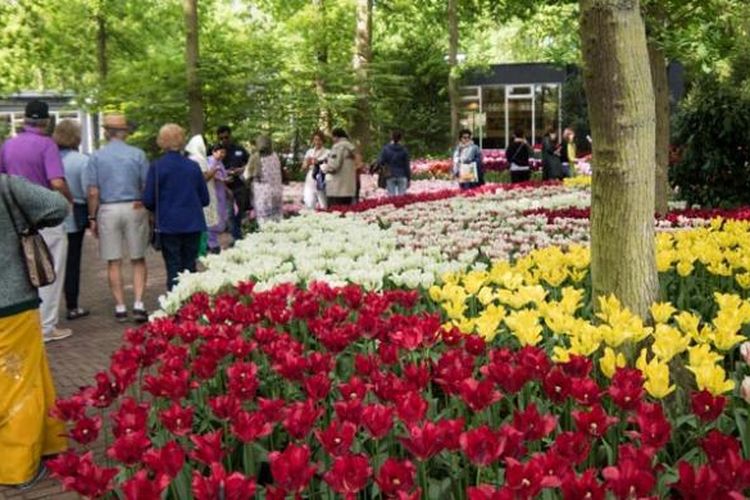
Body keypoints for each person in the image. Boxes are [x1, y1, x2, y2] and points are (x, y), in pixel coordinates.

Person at [0, 173, 69, 488]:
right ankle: (16, 467)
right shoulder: (6, 185)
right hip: (11, 300)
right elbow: (56, 206)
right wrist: (24, 220)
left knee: (29, 372)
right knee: (18, 382)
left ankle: (51, 440)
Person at [0, 99, 74, 342]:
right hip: (43, 218)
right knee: (49, 272)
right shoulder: (47, 145)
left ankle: (29, 324)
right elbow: (57, 182)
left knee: (21, 274)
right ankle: (47, 327)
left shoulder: (8, 145)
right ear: (46, 121)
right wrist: (68, 201)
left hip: (14, 219)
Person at [87, 114, 150, 323]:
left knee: (113, 260)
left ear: (106, 132)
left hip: (108, 209)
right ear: (125, 132)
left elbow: (93, 191)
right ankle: (139, 303)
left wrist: (92, 216)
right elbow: (145, 185)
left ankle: (120, 307)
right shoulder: (138, 154)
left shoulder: (96, 157)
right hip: (134, 206)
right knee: (138, 258)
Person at [143, 124, 209, 291]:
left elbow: (148, 199)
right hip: (193, 223)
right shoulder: (193, 167)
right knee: (190, 265)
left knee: (173, 268)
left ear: (161, 141)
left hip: (168, 224)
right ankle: (192, 305)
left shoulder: (157, 167)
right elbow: (205, 199)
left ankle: (176, 307)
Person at [53, 119, 90, 320]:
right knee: (72, 262)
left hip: (48, 215)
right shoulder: (82, 160)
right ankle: (72, 305)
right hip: (74, 216)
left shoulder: (48, 158)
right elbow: (86, 190)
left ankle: (47, 307)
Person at [185, 135, 219, 256]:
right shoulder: (199, 159)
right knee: (205, 223)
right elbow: (204, 177)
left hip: (195, 195)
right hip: (204, 193)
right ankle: (203, 250)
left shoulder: (189, 158)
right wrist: (214, 171)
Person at [216, 125, 250, 242]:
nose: (224, 140)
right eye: (221, 138)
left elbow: (250, 163)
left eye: (226, 137)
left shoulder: (239, 149)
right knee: (229, 214)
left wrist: (241, 169)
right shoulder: (216, 151)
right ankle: (237, 239)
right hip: (224, 187)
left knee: (239, 213)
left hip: (239, 185)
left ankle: (238, 235)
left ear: (230, 136)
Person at [244, 135, 283, 226]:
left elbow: (247, 175)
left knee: (263, 219)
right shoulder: (275, 156)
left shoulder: (256, 157)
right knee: (276, 218)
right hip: (276, 191)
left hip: (262, 193)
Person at [321, 128, 357, 206]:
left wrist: (324, 168)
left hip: (337, 188)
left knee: (335, 213)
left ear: (336, 137)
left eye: (332, 137)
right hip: (349, 188)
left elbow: (333, 166)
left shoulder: (337, 147)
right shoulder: (352, 147)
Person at [206, 144, 229, 253]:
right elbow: (209, 175)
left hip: (220, 192)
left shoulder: (220, 162)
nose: (222, 155)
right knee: (212, 217)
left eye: (224, 153)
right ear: (214, 152)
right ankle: (212, 243)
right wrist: (222, 178)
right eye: (221, 152)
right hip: (212, 192)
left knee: (220, 216)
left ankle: (213, 242)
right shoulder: (209, 161)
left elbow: (223, 175)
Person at [377, 129, 411, 196]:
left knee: (391, 198)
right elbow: (407, 165)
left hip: (390, 175)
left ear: (392, 137)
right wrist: (409, 178)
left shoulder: (386, 149)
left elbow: (381, 162)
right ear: (400, 138)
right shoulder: (404, 150)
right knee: (401, 198)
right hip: (402, 175)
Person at [302, 130, 329, 209]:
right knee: (309, 201)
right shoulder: (309, 152)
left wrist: (319, 162)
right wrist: (307, 163)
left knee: (323, 203)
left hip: (322, 177)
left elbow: (329, 166)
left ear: (323, 141)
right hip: (310, 178)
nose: (317, 142)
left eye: (319, 140)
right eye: (315, 140)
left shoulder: (327, 152)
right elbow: (303, 167)